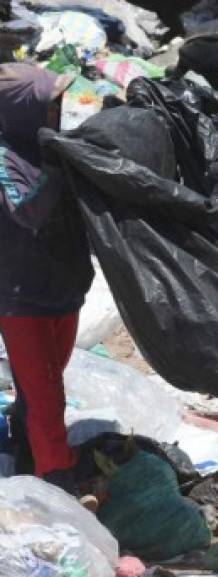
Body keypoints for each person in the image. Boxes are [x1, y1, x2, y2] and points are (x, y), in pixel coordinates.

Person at [0, 64, 94, 496]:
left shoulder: (51, 147)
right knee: (46, 396)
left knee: (46, 383)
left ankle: (27, 452)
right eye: (49, 105)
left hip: (64, 289)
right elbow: (28, 211)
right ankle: (58, 482)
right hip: (22, 298)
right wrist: (59, 168)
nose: (58, 113)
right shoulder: (7, 159)